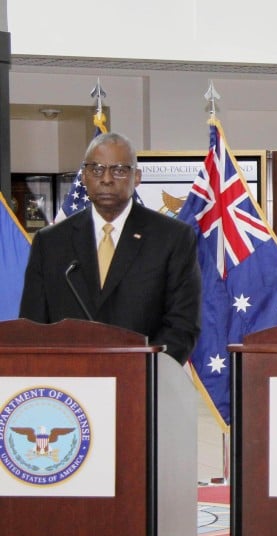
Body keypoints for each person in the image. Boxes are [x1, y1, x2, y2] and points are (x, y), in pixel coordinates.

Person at [19, 132, 201, 364]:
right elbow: (32, 329)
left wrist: (142, 371)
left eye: (118, 170)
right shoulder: (50, 242)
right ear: (84, 176)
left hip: (141, 378)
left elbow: (182, 326)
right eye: (96, 169)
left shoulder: (172, 237)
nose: (106, 179)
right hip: (68, 380)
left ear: (137, 177)